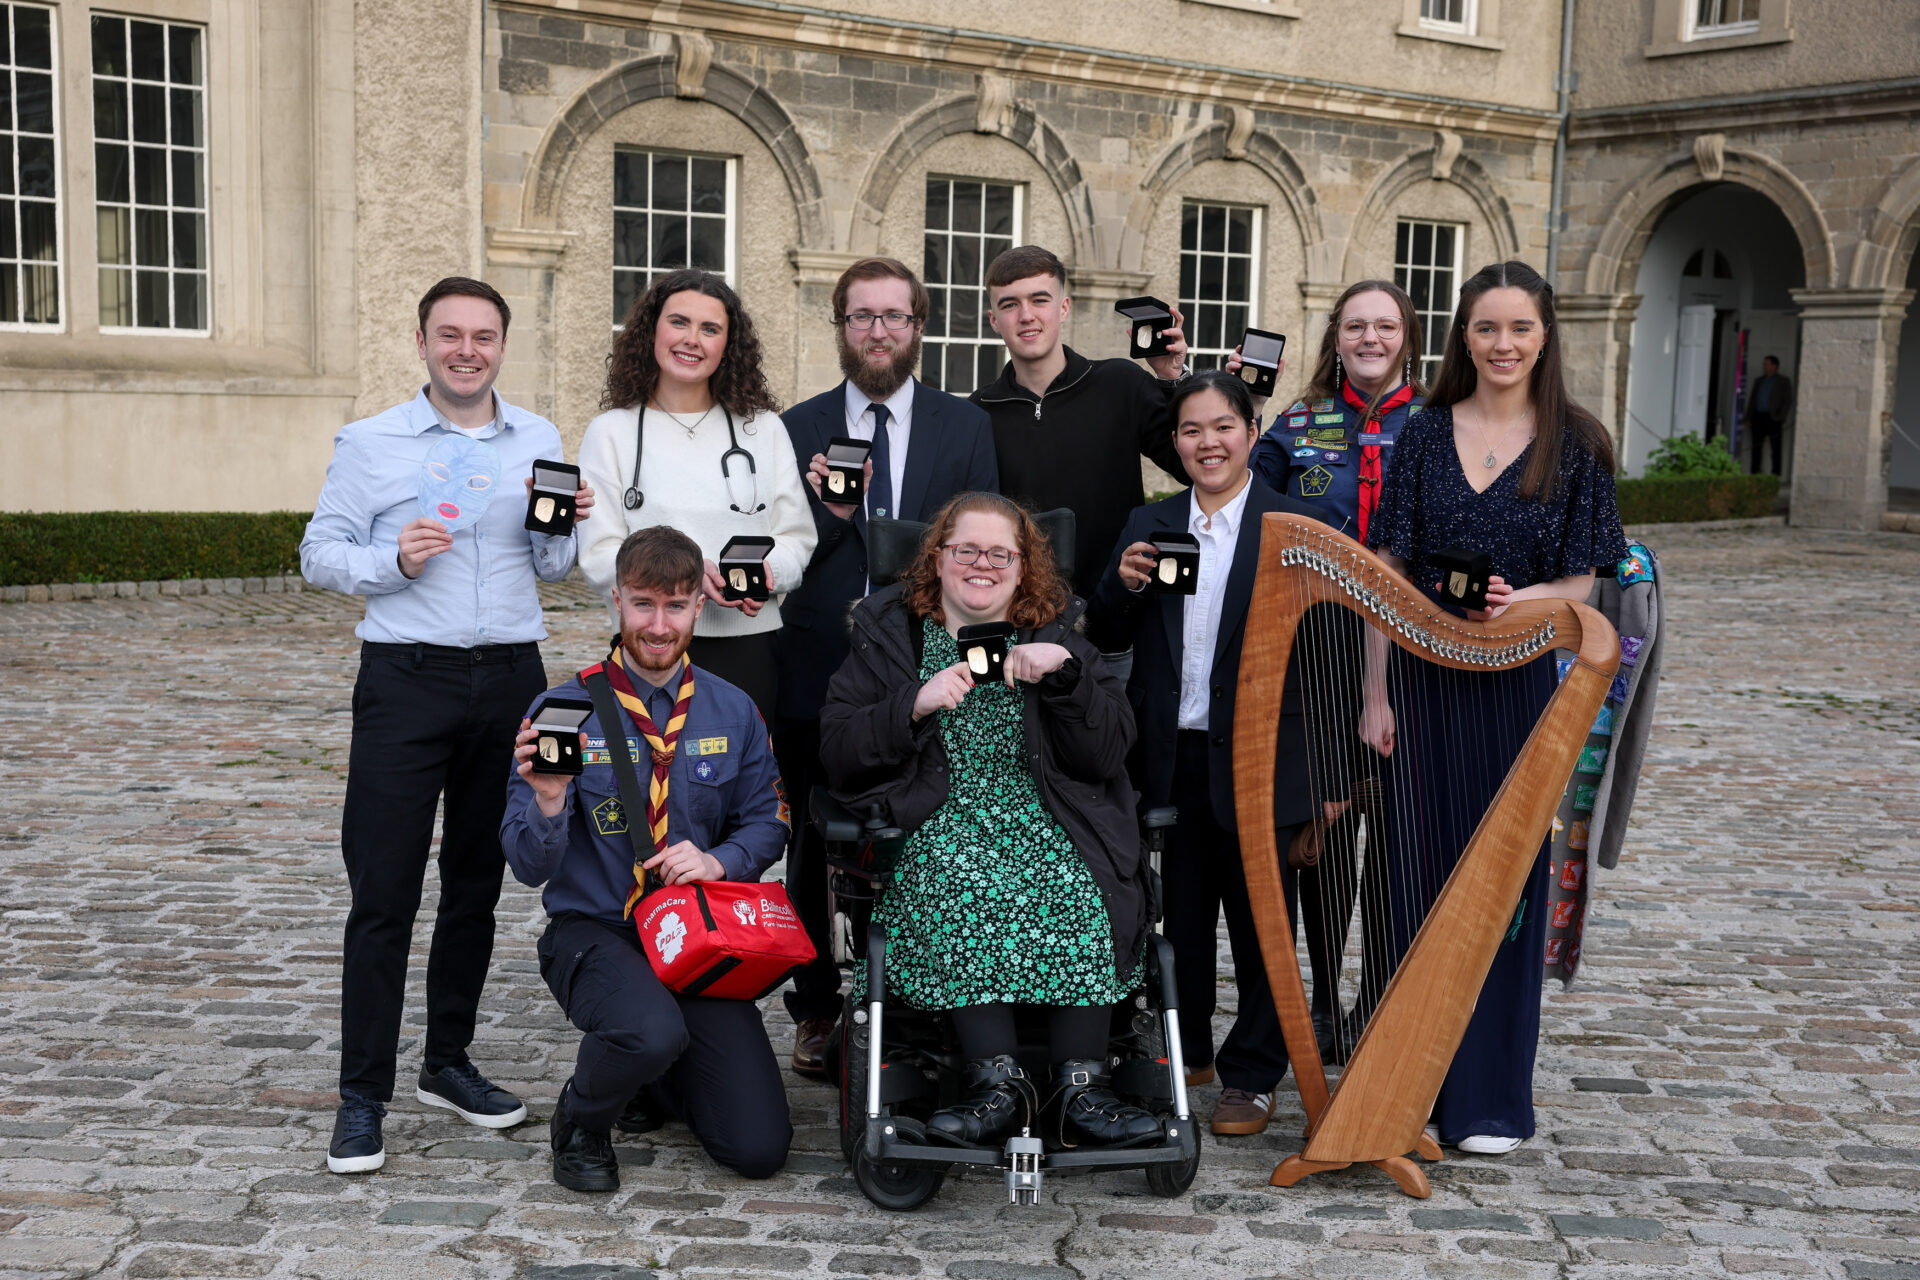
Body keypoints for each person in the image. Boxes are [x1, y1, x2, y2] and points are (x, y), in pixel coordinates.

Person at [301, 276, 594, 1175]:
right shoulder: (372, 441)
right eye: (450, 335)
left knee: (476, 882)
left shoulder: (536, 438)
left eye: (484, 336)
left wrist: (564, 526)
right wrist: (391, 560)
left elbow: (551, 566)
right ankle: (362, 1098)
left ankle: (447, 1063)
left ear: (503, 345)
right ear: (422, 342)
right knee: (383, 893)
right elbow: (319, 553)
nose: (468, 351)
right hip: (406, 680)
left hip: (509, 677)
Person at [1362, 260, 1629, 1155]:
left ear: (1545, 337)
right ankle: (1405, 1084)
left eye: (1519, 328)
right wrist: (1373, 692)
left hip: (1519, 689)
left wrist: (1525, 603)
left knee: (1506, 888)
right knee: (1415, 878)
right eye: (1486, 328)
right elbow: (1388, 569)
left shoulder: (1579, 445)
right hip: (1422, 683)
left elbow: (1583, 582)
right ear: (1464, 338)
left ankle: (1486, 1103)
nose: (1503, 344)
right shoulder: (1423, 433)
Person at [819, 493, 1160, 1149]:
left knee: (1079, 884)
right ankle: (997, 1084)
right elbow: (837, 749)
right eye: (966, 550)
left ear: (1023, 567)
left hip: (1052, 815)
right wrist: (911, 704)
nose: (983, 564)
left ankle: (1081, 1089)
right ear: (936, 559)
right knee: (962, 882)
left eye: (1001, 554)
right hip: (938, 814)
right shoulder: (892, 636)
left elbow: (1109, 753)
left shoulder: (1056, 635)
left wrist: (1067, 681)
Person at [501, 525, 793, 1191]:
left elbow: (770, 819)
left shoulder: (733, 710)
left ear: (699, 607)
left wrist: (721, 862)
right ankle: (581, 1118)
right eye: (643, 604)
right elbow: (527, 864)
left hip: (695, 937)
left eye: (675, 606)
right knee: (650, 1031)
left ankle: (651, 1073)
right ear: (616, 601)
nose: (659, 626)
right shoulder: (563, 710)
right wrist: (549, 799)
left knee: (757, 1149)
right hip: (597, 931)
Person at [1089, 371, 1336, 1138]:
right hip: (1175, 753)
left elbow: (1329, 657)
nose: (1208, 443)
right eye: (1192, 430)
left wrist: (1331, 777)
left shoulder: (1296, 525)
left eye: (1223, 426)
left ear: (1252, 434)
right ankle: (1189, 1048)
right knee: (1184, 918)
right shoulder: (1150, 519)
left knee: (1265, 923)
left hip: (1268, 753)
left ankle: (1253, 1075)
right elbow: (1106, 632)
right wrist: (1122, 585)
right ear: (1175, 442)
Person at [773, 257, 999, 1078]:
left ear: (918, 327)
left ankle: (913, 998)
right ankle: (815, 1005)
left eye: (894, 316)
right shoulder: (793, 427)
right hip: (815, 663)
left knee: (924, 827)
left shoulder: (962, 425)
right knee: (810, 842)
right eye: (861, 316)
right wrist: (834, 516)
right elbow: (780, 551)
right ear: (840, 326)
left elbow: (981, 547)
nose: (878, 331)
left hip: (924, 665)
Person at [1232, 280, 1427, 1061]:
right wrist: (1233, 401)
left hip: (1413, 646)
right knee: (1326, 825)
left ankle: (1378, 994)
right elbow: (1241, 492)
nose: (1370, 338)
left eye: (1385, 326)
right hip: (1318, 642)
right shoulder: (1300, 420)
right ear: (1336, 338)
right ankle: (1319, 998)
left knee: (1397, 831)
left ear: (1408, 336)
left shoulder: (1441, 422)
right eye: (1356, 326)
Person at [577, 269, 815, 722]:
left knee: (744, 767)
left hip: (749, 648)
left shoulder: (763, 429)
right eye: (679, 322)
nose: (692, 340)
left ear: (729, 344)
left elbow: (797, 539)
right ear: (651, 331)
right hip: (649, 645)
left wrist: (767, 574)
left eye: (710, 329)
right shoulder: (611, 432)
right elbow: (597, 553)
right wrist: (684, 577)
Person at [969, 245, 1190, 607]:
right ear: (994, 320)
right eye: (1009, 305)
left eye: (1039, 300)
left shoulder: (1120, 384)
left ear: (1064, 307)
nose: (1026, 315)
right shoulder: (978, 412)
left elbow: (1189, 466)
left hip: (1119, 609)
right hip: (1020, 616)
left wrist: (1173, 380)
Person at [1742, 354, 1793, 476]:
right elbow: (1752, 400)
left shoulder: (1783, 381)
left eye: (1766, 364)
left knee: (1776, 448)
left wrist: (1780, 417)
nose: (1764, 366)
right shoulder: (1759, 381)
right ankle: (1755, 473)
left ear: (1774, 366)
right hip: (1758, 417)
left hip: (1773, 418)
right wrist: (1748, 417)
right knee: (1756, 447)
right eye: (1764, 364)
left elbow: (1788, 401)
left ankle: (1775, 475)